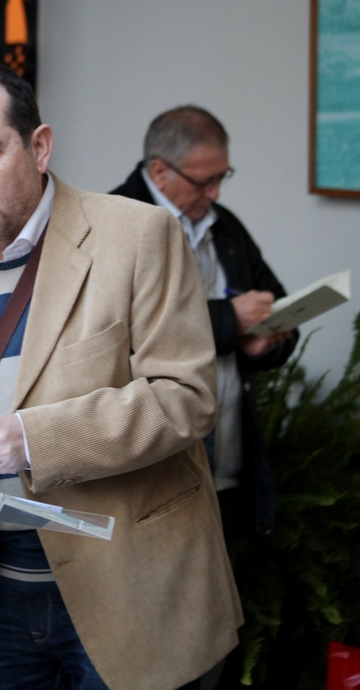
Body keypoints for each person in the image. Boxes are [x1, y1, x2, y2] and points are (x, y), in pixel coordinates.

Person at [0, 65, 239, 690]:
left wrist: (33, 438)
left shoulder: (140, 236)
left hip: (127, 586)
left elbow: (185, 399)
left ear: (40, 147)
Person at [110, 105, 297, 548]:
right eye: (203, 180)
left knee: (225, 605)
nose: (215, 192)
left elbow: (276, 306)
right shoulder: (113, 223)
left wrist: (262, 346)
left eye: (222, 177)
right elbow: (123, 336)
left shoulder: (225, 227)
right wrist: (230, 320)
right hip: (150, 474)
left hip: (229, 463)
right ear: (159, 170)